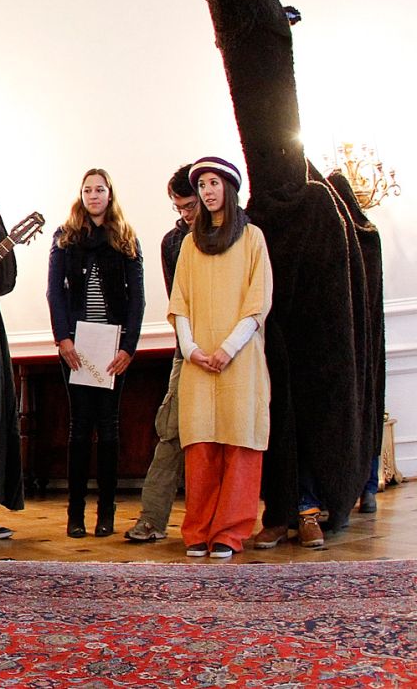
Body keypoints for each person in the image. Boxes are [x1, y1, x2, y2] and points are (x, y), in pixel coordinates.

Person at [170, 156, 272, 560]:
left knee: (239, 442)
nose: (208, 191)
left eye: (214, 183)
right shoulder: (191, 244)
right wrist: (192, 348)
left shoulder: (253, 240)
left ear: (228, 188)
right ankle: (197, 529)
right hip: (199, 364)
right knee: (202, 446)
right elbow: (180, 301)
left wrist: (228, 348)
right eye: (203, 185)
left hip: (239, 361)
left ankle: (229, 532)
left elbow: (257, 302)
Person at [47, 168, 145, 538]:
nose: (93, 195)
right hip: (75, 344)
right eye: (87, 189)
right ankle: (75, 515)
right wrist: (63, 338)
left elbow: (137, 297)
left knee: (108, 429)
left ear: (109, 194)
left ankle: (107, 512)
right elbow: (55, 292)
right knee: (78, 429)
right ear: (81, 194)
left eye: (99, 189)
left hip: (112, 345)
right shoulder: (65, 237)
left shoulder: (125, 237)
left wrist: (129, 347)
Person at [126, 164, 199, 543]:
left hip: (235, 349)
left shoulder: (243, 232)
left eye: (190, 206)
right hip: (187, 349)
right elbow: (177, 302)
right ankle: (152, 519)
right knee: (169, 432)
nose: (185, 215)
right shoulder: (173, 242)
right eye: (179, 208)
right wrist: (190, 346)